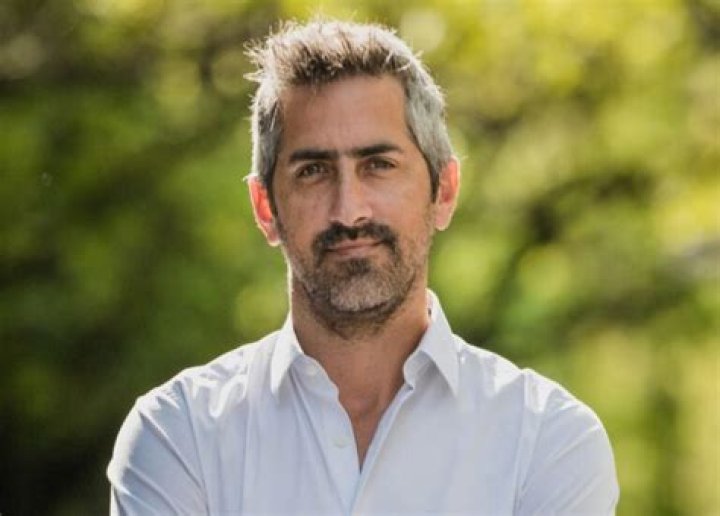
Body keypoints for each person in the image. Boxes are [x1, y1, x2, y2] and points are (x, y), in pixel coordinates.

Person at [107, 19, 619, 515]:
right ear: (265, 208)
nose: (349, 210)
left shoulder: (548, 441)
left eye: (379, 166)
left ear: (444, 191)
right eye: (313, 171)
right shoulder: (179, 435)